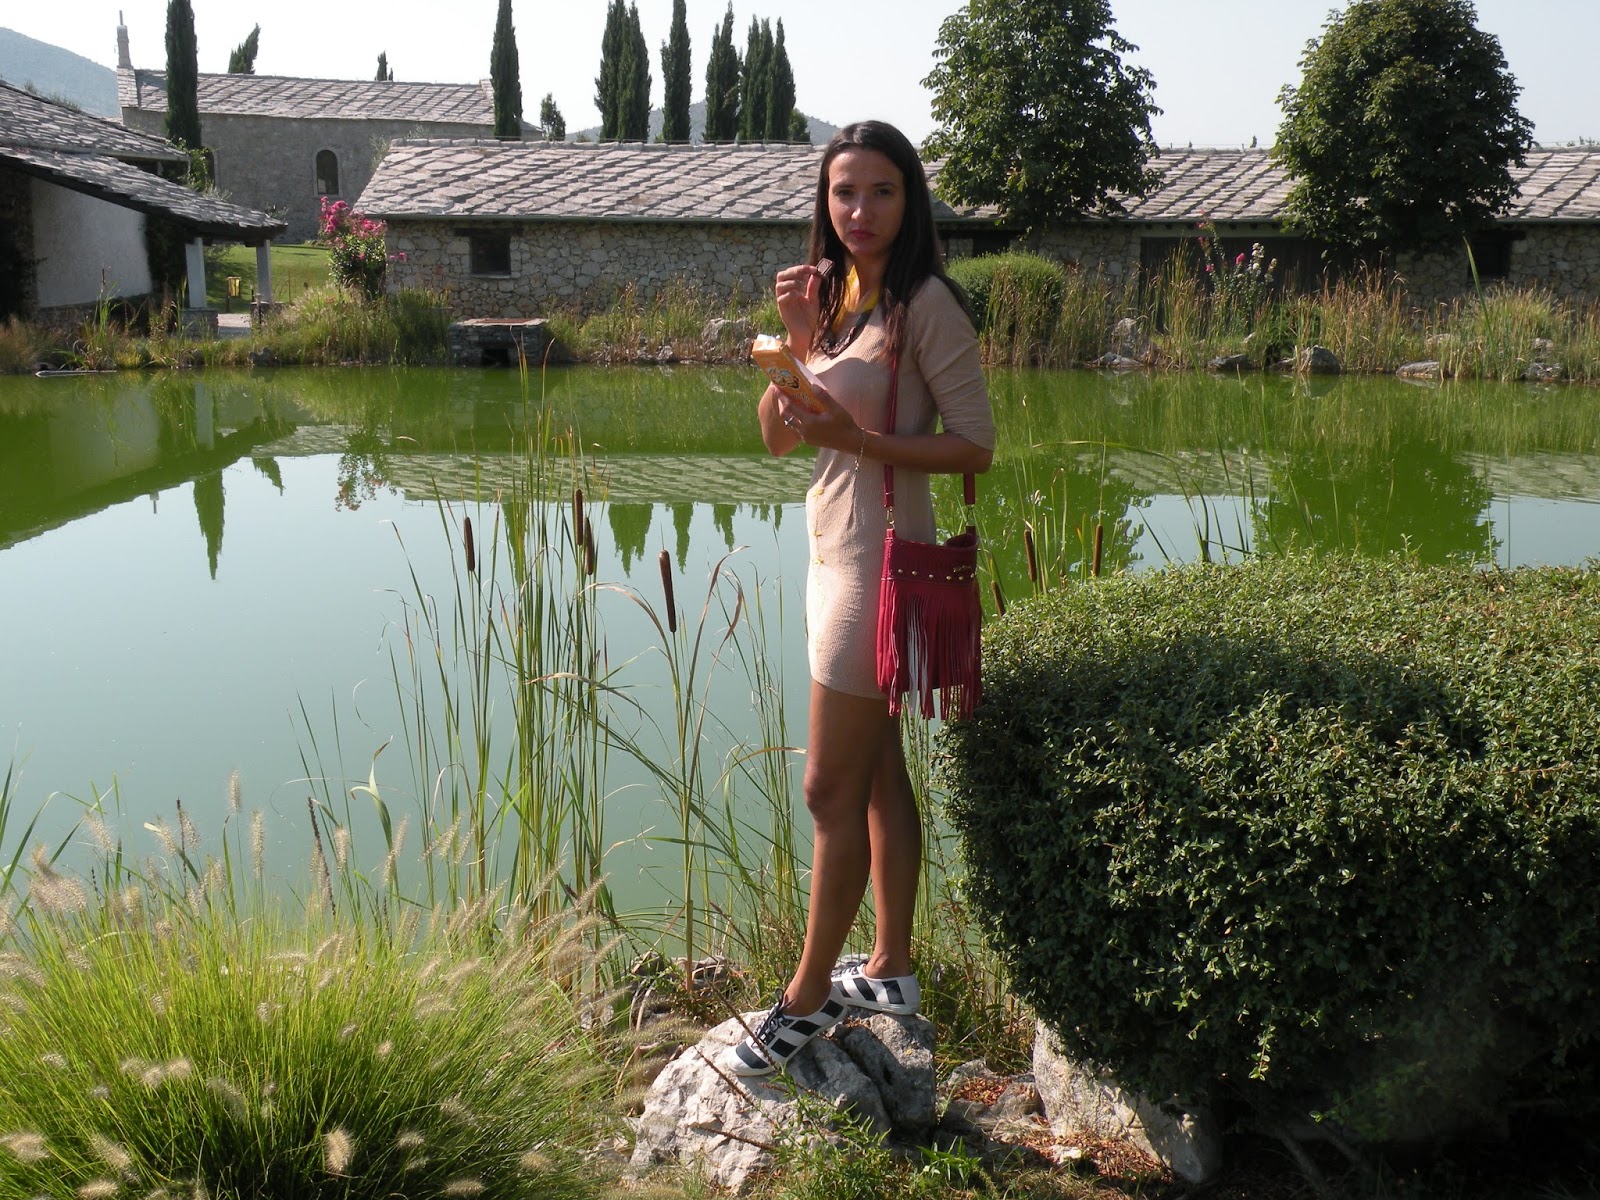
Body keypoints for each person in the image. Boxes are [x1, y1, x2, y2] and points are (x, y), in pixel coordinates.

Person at [726, 120, 995, 1075]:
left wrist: (862, 439)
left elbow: (975, 445)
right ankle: (891, 968)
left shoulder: (927, 305)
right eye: (844, 191)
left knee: (825, 789)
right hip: (830, 557)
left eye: (882, 191)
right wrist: (800, 344)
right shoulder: (836, 299)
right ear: (824, 202)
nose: (860, 210)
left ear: (909, 201)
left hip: (880, 567)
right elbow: (778, 438)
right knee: (878, 776)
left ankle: (803, 1001)